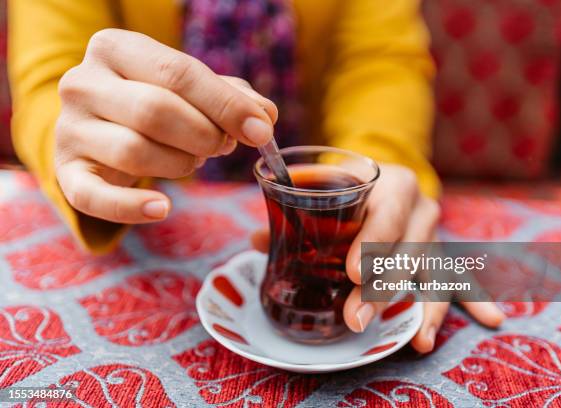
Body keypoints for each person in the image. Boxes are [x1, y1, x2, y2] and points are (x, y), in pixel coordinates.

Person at [8, 0, 504, 353]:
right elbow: (54, 78)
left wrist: (383, 177)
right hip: (155, 234)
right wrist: (95, 150)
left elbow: (381, 63)